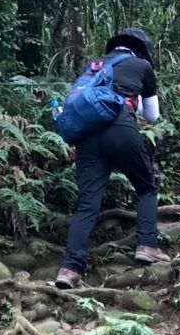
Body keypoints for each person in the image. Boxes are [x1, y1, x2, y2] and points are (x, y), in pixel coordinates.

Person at [55, 27, 170, 290]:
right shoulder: (141, 66)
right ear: (141, 50)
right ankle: (147, 245)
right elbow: (152, 116)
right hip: (120, 130)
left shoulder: (94, 67)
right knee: (146, 186)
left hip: (87, 137)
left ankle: (69, 269)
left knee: (87, 204)